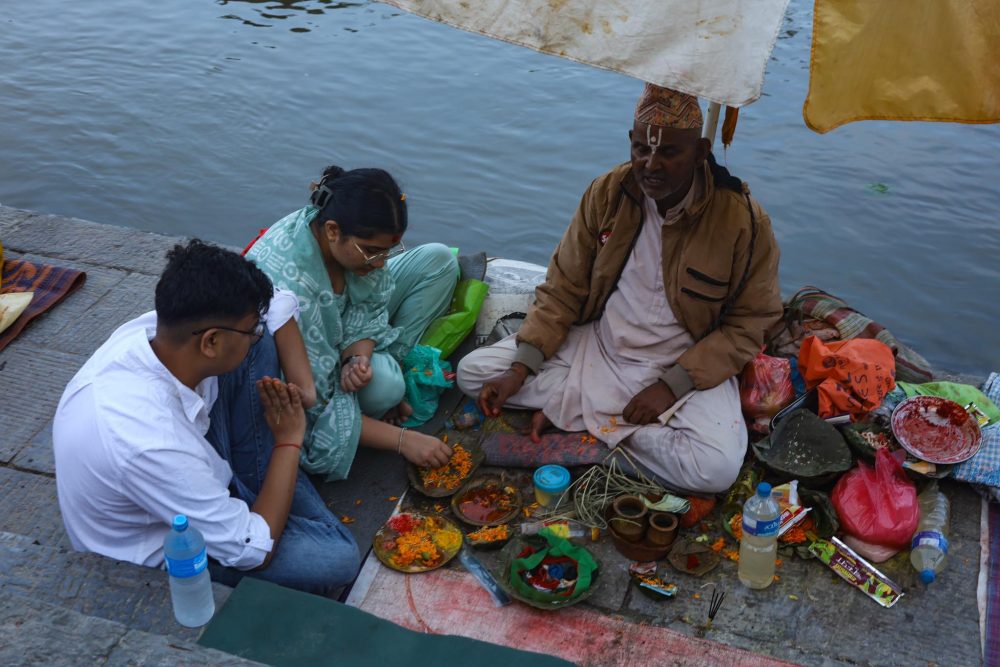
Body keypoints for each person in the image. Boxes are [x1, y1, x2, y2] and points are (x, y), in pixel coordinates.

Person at [457, 84, 783, 494]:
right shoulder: (608, 192)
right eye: (642, 150)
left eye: (669, 153)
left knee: (716, 470)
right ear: (631, 143)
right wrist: (520, 369)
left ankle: (585, 425)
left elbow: (750, 325)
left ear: (701, 153)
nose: (651, 165)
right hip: (599, 344)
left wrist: (670, 388)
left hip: (682, 363)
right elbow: (563, 288)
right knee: (474, 375)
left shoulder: (742, 220)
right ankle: (609, 427)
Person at [53, 240, 359, 595]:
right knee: (338, 557)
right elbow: (252, 553)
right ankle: (262, 496)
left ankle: (256, 495)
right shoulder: (150, 440)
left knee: (257, 344)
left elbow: (274, 302)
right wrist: (289, 441)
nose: (255, 334)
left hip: (187, 468)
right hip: (168, 550)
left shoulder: (159, 333)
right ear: (211, 342)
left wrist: (301, 383)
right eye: (249, 329)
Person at [246, 166, 456, 481]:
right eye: (373, 251)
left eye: (388, 251)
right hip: (297, 366)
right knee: (386, 387)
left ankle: (384, 368)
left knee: (439, 260)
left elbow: (371, 306)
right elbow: (313, 405)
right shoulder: (293, 287)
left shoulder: (344, 240)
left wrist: (356, 357)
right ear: (333, 231)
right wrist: (403, 441)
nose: (382, 263)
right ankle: (380, 400)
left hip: (336, 331)